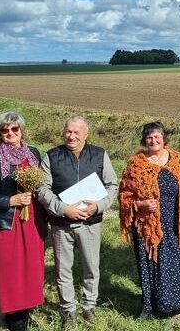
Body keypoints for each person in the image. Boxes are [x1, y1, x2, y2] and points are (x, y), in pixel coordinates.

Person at [37, 116, 118, 326]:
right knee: (63, 270)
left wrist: (97, 206)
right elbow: (42, 189)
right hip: (61, 225)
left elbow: (112, 185)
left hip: (91, 224)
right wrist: (64, 209)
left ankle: (89, 306)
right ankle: (68, 310)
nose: (71, 136)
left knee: (91, 268)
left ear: (86, 134)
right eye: (67, 131)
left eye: (76, 132)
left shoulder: (99, 154)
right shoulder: (51, 156)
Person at [0, 111, 46, 331]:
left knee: (32, 267)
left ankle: (26, 310)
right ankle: (13, 317)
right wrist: (10, 200)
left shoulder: (32, 153)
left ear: (22, 130)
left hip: (33, 220)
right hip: (7, 223)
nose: (11, 133)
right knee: (10, 270)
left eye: (15, 129)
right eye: (5, 130)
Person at [119, 122, 180, 318]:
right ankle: (150, 306)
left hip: (174, 222)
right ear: (144, 141)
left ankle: (177, 302)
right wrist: (142, 205)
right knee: (152, 263)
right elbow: (124, 197)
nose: (154, 141)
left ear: (164, 139)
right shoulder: (136, 165)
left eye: (157, 137)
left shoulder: (176, 160)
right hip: (148, 225)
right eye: (149, 138)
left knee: (177, 261)